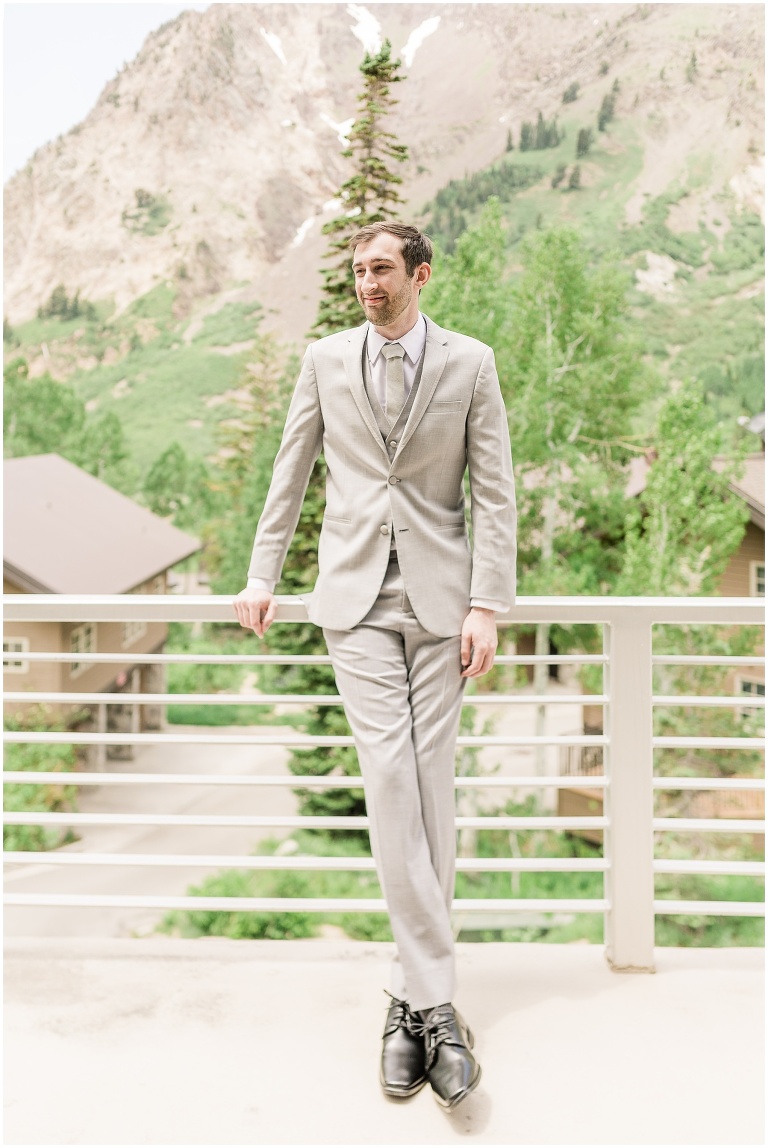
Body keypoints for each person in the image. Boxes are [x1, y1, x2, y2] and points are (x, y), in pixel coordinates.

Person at [233, 221, 516, 1111]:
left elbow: (495, 486)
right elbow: (291, 469)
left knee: (434, 783)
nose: (368, 283)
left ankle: (408, 1007)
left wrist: (488, 604)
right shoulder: (323, 360)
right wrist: (261, 574)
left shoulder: (471, 363)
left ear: (420, 274)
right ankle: (436, 1003)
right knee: (390, 776)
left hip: (442, 602)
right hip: (351, 599)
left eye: (383, 269)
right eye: (358, 271)